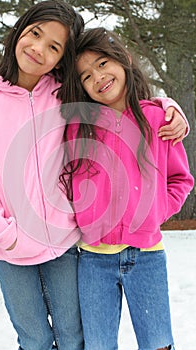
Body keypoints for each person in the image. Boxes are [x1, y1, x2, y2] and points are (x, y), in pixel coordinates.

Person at [0, 0, 189, 348]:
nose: (39, 49)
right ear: (20, 29)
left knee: (75, 337)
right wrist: (1, 233)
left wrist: (168, 107)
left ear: (60, 59)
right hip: (12, 247)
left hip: (68, 242)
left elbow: (126, 110)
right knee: (35, 338)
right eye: (36, 34)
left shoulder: (62, 94)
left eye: (54, 47)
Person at [60, 28, 194, 350]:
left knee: (158, 343)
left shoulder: (158, 118)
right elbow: (66, 176)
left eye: (103, 63)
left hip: (146, 257)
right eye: (87, 76)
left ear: (124, 60)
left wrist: (157, 210)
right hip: (93, 261)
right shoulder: (78, 126)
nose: (98, 77)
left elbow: (181, 179)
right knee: (98, 345)